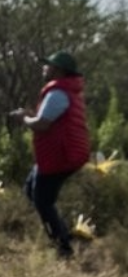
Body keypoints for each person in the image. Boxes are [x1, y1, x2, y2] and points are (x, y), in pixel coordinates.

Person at [10, 51, 90, 259]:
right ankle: (64, 234)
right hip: (59, 153)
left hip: (61, 156)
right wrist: (30, 116)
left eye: (48, 65)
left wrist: (23, 120)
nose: (44, 68)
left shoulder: (58, 93)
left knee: (42, 201)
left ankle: (63, 247)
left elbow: (42, 125)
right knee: (31, 190)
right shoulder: (65, 91)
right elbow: (49, 120)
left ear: (59, 70)